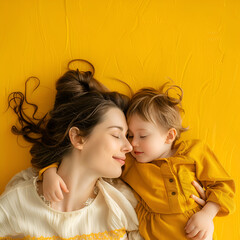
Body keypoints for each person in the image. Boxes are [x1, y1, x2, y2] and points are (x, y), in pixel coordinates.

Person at [0, 60, 143, 239]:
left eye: (127, 135)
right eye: (116, 135)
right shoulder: (17, 203)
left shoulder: (123, 204)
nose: (129, 146)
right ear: (78, 138)